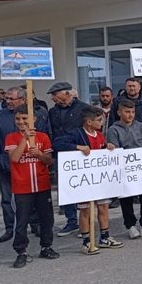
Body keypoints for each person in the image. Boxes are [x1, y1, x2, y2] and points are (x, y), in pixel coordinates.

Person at [54, 106, 123, 254]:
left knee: (103, 207)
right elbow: (58, 144)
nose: (102, 123)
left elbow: (101, 149)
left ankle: (105, 237)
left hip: (99, 179)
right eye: (99, 120)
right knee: (85, 210)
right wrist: (77, 147)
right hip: (84, 181)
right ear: (89, 122)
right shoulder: (76, 134)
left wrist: (108, 147)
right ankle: (86, 241)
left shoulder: (99, 135)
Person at [0, 87, 52, 242]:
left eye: (11, 99)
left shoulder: (39, 113)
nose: (7, 101)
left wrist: (41, 154)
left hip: (33, 169)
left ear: (22, 99)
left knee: (36, 200)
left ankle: (36, 226)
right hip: (6, 163)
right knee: (8, 199)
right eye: (6, 98)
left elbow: (45, 138)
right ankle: (11, 228)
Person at [5, 105, 58, 267]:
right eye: (18, 119)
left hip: (42, 184)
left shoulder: (42, 137)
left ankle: (46, 246)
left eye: (24, 118)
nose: (21, 122)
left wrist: (40, 155)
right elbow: (14, 158)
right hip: (22, 186)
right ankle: (21, 251)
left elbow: (49, 161)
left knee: (46, 218)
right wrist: (25, 139)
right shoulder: (11, 137)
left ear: (33, 119)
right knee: (22, 220)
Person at [106, 99, 142, 239]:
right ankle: (130, 225)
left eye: (132, 112)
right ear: (119, 112)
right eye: (127, 112)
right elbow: (115, 151)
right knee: (126, 198)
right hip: (125, 169)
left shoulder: (141, 126)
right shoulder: (113, 130)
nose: (130, 115)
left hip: (141, 167)